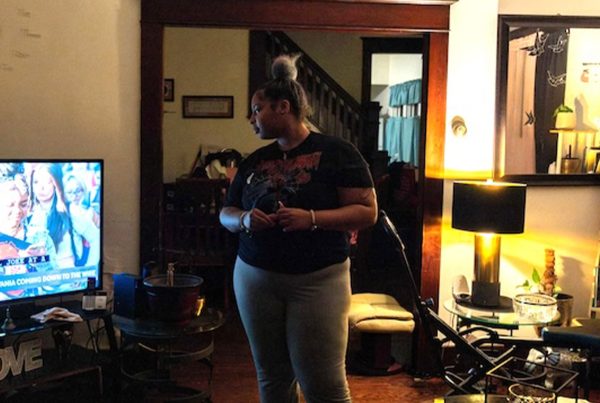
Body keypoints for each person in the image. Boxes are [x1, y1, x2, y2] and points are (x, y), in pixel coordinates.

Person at [220, 54, 377, 403]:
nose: (251, 119)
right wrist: (244, 219)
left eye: (257, 109)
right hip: (254, 279)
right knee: (272, 379)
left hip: (318, 282)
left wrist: (312, 218)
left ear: (282, 107)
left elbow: (368, 212)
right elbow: (226, 212)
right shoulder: (254, 161)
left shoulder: (338, 152)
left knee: (324, 384)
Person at [0, 163, 56, 299]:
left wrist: (42, 263)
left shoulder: (40, 239)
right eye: (10, 205)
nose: (18, 212)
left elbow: (54, 284)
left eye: (23, 204)